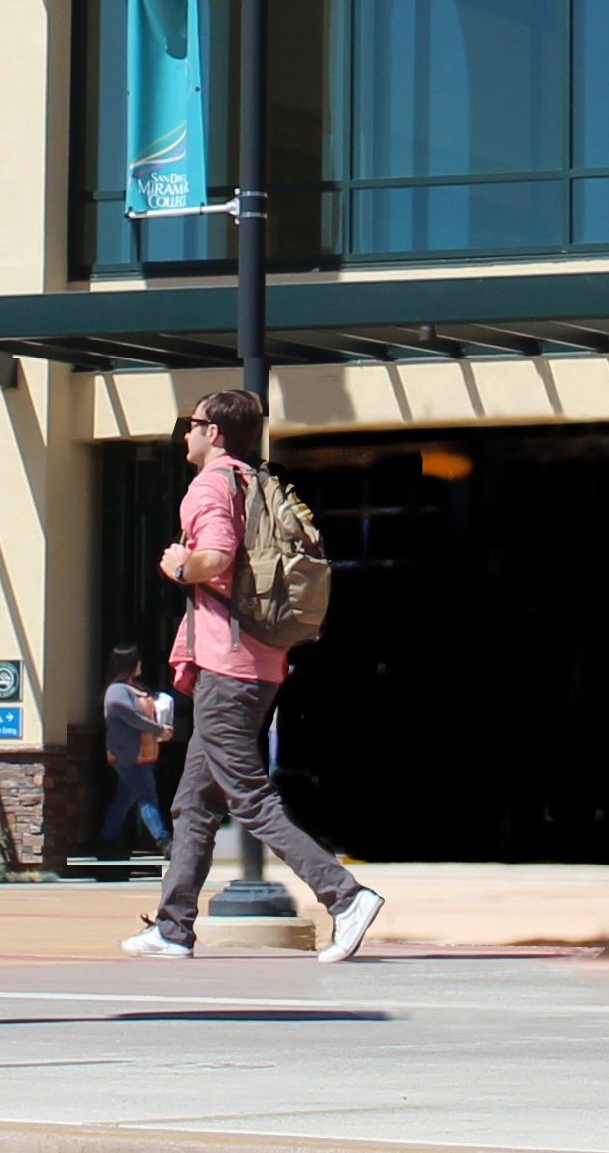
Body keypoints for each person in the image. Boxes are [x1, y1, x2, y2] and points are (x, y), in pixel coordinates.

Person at [124, 387, 383, 963]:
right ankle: (172, 927)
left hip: (227, 664)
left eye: (191, 423)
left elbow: (214, 559)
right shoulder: (256, 481)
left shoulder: (211, 485)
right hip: (259, 660)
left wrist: (177, 566)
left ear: (213, 432)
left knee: (248, 795)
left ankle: (345, 897)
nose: (185, 433)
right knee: (194, 804)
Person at [95, 643, 173, 858]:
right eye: (136, 660)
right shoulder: (117, 691)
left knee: (123, 799)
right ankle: (165, 842)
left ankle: (106, 842)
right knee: (148, 797)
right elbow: (131, 716)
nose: (141, 664)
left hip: (144, 754)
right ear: (128, 664)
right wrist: (159, 729)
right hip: (129, 756)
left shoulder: (137, 688)